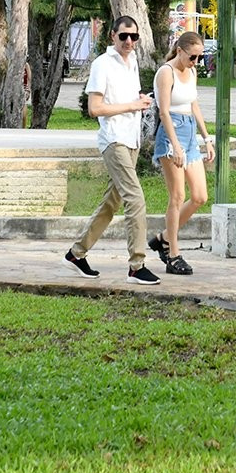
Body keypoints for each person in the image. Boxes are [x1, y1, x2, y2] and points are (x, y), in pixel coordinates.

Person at [65, 15, 161, 284]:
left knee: (112, 203)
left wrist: (139, 101)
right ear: (112, 36)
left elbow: (126, 101)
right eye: (123, 36)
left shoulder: (131, 63)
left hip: (131, 141)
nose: (129, 41)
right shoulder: (102, 64)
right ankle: (136, 265)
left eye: (134, 37)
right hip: (114, 140)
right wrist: (132, 106)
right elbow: (95, 108)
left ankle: (76, 253)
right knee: (136, 198)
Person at [150, 31, 212, 276]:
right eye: (192, 57)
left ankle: (163, 238)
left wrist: (206, 138)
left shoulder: (192, 72)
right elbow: (164, 112)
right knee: (177, 196)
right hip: (170, 133)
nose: (195, 62)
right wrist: (175, 145)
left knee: (199, 196)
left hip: (189, 132)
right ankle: (173, 254)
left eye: (199, 57)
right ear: (179, 49)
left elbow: (194, 104)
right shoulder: (166, 72)